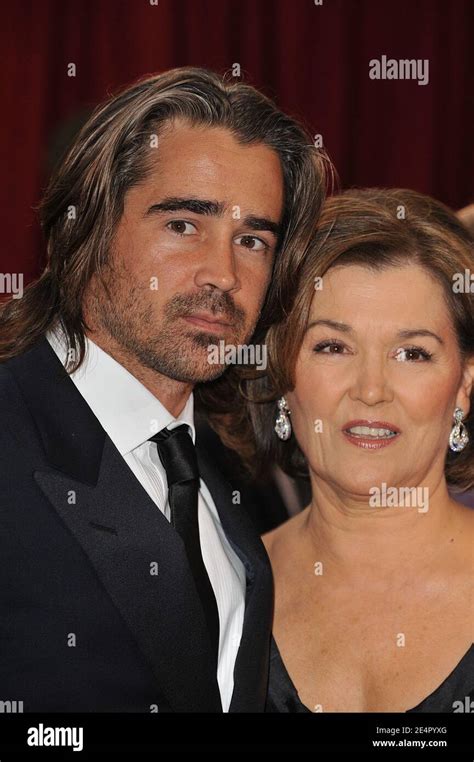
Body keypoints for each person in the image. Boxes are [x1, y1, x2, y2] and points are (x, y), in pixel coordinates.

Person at [0, 67, 329, 712]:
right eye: (183, 224)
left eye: (253, 239)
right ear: (86, 229)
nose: (224, 275)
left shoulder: (225, 470)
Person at [237, 188, 474, 712]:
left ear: (464, 384)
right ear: (280, 371)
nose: (371, 389)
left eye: (412, 353)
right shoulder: (221, 586)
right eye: (332, 347)